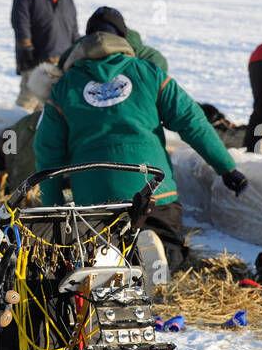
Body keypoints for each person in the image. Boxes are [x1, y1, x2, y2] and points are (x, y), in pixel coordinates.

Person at [33, 16, 247, 279]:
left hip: (95, 201)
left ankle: (115, 260)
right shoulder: (149, 73)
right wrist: (226, 168)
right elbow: (193, 122)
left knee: (99, 251)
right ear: (124, 40)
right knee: (170, 247)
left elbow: (47, 151)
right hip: (153, 191)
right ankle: (164, 254)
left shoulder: (65, 87)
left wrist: (54, 208)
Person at [12, 0, 78, 110]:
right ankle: (14, 133)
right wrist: (26, 48)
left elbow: (73, 27)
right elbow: (21, 24)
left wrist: (77, 50)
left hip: (61, 60)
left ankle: (39, 134)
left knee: (50, 105)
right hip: (36, 58)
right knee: (27, 102)